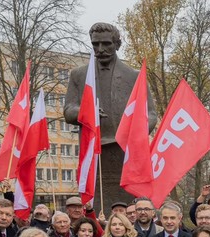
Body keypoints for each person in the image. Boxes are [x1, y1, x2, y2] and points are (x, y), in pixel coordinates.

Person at [64, 22, 157, 210]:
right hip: (94, 151)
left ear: (117, 44)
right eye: (95, 44)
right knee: (95, 205)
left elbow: (151, 114)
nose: (100, 49)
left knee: (128, 206)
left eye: (106, 44)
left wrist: (136, 135)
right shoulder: (79, 75)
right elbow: (68, 110)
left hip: (125, 152)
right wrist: (85, 113)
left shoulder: (133, 76)